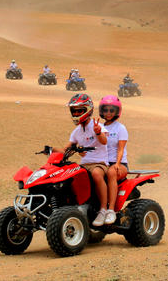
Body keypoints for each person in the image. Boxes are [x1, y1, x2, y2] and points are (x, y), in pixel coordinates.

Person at [53, 94, 110, 226]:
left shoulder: (98, 126)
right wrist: (51, 150)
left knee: (96, 174)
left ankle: (103, 210)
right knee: (68, 177)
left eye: (80, 110)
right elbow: (65, 149)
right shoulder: (76, 132)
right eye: (74, 111)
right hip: (83, 165)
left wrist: (97, 132)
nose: (77, 113)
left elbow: (104, 140)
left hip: (99, 163)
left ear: (88, 110)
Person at [99, 95, 128, 226]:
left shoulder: (120, 128)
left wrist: (117, 163)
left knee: (111, 173)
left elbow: (121, 149)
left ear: (117, 112)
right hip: (103, 162)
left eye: (112, 110)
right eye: (106, 110)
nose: (108, 113)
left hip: (119, 164)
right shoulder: (99, 127)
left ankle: (111, 210)